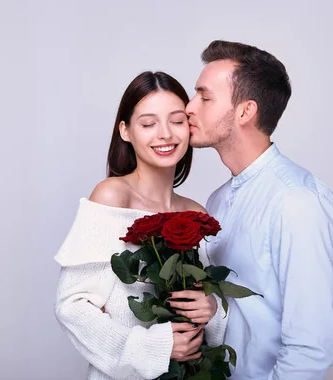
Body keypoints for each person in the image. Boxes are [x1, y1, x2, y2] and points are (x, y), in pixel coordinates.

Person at [53, 71, 227, 380]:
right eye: (148, 124)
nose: (165, 134)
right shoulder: (111, 195)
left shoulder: (196, 213)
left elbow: (209, 311)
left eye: (176, 121)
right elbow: (73, 306)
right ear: (126, 131)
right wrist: (156, 347)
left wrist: (211, 311)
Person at [185, 40, 333, 379]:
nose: (189, 107)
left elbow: (312, 349)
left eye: (204, 97)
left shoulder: (297, 201)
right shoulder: (218, 200)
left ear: (245, 111)